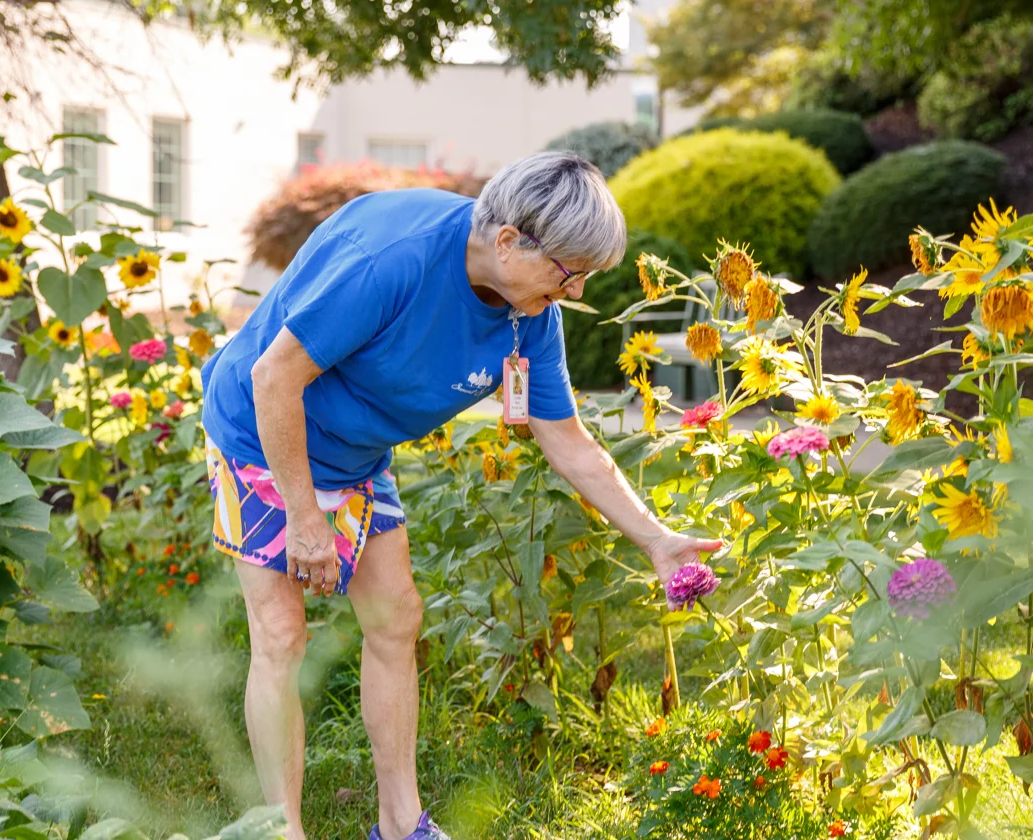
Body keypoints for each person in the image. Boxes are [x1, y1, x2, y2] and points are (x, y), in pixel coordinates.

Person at [200, 152, 722, 840]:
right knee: (280, 633)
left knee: (396, 619)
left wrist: (655, 537)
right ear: (508, 241)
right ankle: (282, 830)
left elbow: (566, 440)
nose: (571, 293)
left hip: (356, 452)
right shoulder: (392, 259)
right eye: (569, 274)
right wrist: (303, 520)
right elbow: (274, 380)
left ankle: (400, 823)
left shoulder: (528, 312)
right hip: (264, 433)